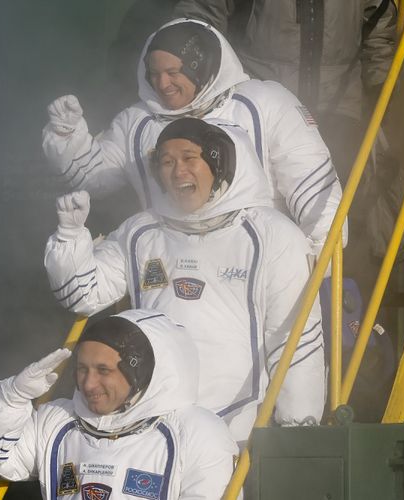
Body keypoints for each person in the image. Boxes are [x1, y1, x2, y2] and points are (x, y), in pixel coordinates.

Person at [44, 118, 325, 443]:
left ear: (219, 163)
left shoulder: (271, 235)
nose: (178, 172)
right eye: (166, 161)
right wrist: (69, 237)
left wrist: (299, 433)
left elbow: (295, 338)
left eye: (190, 158)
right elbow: (83, 294)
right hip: (153, 429)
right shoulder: (141, 232)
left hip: (237, 432)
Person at [43, 18, 344, 256]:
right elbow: (89, 177)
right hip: (167, 275)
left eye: (173, 72)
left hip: (257, 267)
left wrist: (311, 264)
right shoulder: (136, 122)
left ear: (200, 65)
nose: (162, 83)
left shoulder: (265, 103)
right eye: (154, 73)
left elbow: (314, 187)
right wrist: (66, 137)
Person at [0, 309, 237, 499]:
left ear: (139, 373)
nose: (89, 384)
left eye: (103, 370)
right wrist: (11, 397)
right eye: (82, 369)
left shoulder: (197, 433)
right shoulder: (58, 420)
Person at [172, 0, 398, 183]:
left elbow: (378, 29)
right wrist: (194, 77)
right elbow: (200, 16)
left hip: (338, 108)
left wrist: (380, 90)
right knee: (266, 201)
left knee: (340, 203)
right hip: (262, 108)